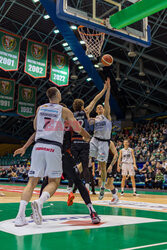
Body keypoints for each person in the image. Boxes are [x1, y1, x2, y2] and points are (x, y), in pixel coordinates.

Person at [14, 87, 91, 227]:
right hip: (53, 147)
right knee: (54, 181)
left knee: (31, 182)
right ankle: (39, 202)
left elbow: (36, 127)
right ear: (58, 95)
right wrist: (87, 136)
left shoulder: (40, 108)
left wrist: (25, 147)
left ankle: (20, 217)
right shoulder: (64, 110)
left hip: (38, 146)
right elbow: (77, 128)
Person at [69, 82, 108, 195]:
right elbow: (95, 99)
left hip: (73, 143)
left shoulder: (71, 115)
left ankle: (72, 185)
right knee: (86, 166)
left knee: (77, 166)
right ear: (82, 106)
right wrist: (104, 89)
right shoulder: (85, 111)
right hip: (84, 141)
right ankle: (86, 186)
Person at [89, 77, 112, 200]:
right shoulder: (94, 119)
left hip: (103, 143)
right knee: (86, 156)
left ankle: (102, 186)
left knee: (102, 166)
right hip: (95, 140)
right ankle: (78, 175)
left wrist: (107, 89)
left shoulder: (107, 116)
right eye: (97, 107)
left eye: (100, 107)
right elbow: (87, 117)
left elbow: (107, 101)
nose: (99, 108)